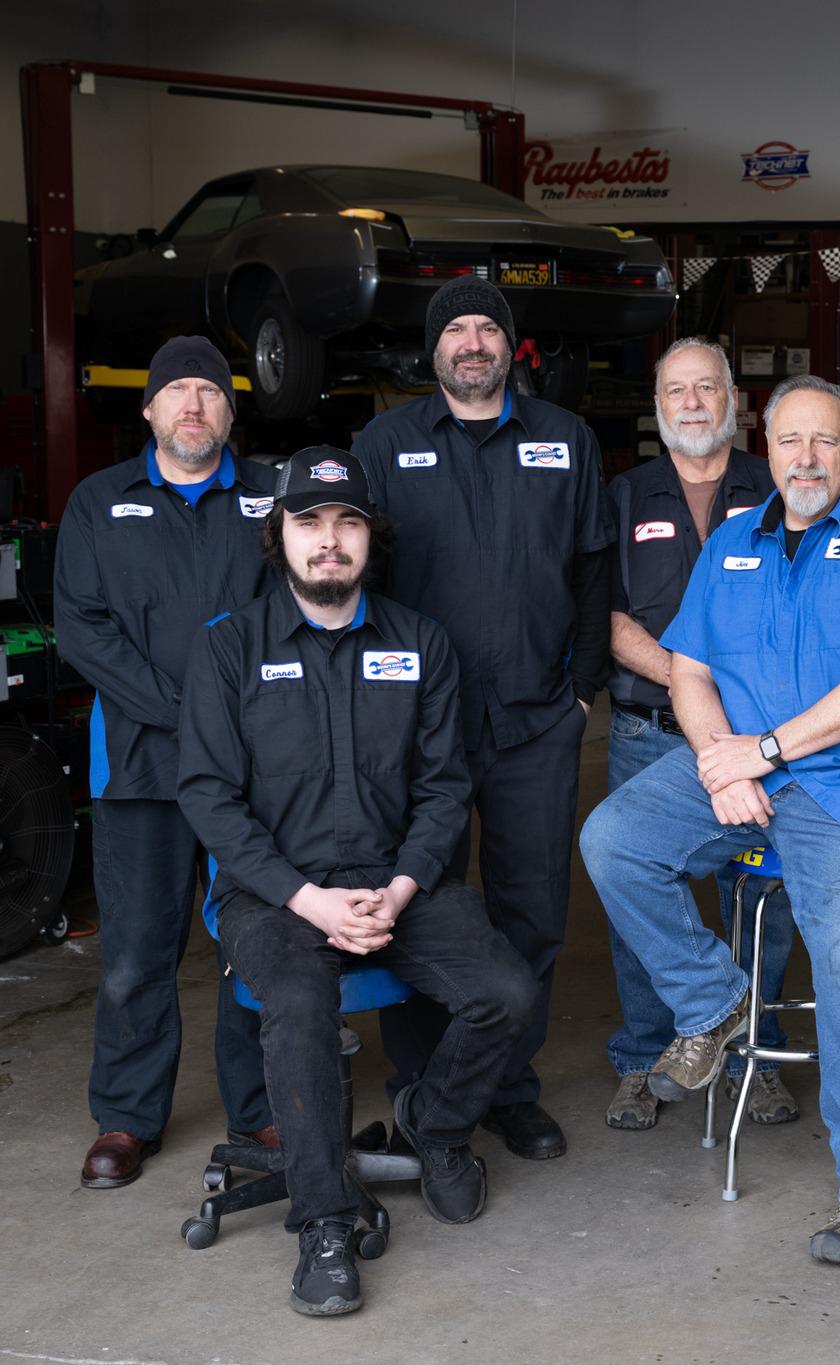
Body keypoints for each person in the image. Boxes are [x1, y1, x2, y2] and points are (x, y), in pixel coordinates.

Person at [579, 375, 840, 1266]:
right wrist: (719, 760)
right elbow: (689, 668)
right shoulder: (734, 542)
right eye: (790, 441)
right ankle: (717, 999)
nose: (805, 459)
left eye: (824, 441)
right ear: (768, 449)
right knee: (614, 839)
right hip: (744, 768)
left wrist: (767, 751)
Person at [177, 449, 532, 1317]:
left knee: (508, 992)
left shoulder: (421, 643)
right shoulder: (230, 647)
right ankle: (326, 1225)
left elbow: (444, 788)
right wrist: (307, 899)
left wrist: (400, 890)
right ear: (281, 535)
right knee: (301, 1006)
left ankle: (435, 1127)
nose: (329, 540)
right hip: (276, 894)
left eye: (347, 522)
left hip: (395, 883)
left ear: (372, 536)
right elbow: (209, 796)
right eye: (309, 522)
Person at [351, 275, 614, 1163]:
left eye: (487, 328)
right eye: (455, 329)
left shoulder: (565, 439)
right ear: (434, 350)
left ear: (511, 346)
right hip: (416, 728)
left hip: (536, 721)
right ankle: (422, 1088)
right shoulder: (383, 445)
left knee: (532, 912)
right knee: (420, 907)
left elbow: (593, 572)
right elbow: (356, 581)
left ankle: (506, 1088)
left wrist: (582, 691)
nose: (472, 342)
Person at [54, 336, 275, 1189]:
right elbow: (83, 629)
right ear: (148, 409)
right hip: (137, 767)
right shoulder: (99, 502)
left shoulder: (270, 498)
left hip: (252, 768)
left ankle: (260, 1102)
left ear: (230, 411)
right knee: (137, 950)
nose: (193, 403)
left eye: (209, 391)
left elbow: (296, 609)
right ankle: (126, 1115)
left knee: (255, 939)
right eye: (176, 389)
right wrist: (187, 713)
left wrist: (233, 722)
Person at [600, 337, 799, 1131]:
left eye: (706, 387)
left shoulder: (775, 486)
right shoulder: (625, 495)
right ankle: (646, 1058)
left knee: (762, 896)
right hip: (650, 731)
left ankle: (756, 1053)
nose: (691, 402)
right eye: (676, 390)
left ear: (734, 401)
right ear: (658, 407)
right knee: (640, 892)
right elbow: (609, 616)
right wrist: (687, 680)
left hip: (755, 738)